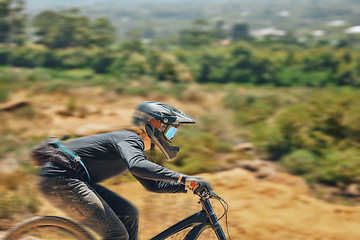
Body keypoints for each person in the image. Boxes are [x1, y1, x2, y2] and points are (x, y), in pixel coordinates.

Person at [34, 101, 211, 240]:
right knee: (116, 235)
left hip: (67, 179)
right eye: (171, 132)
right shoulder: (130, 138)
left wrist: (189, 186)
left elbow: (153, 185)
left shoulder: (131, 147)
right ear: (156, 125)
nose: (171, 139)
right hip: (60, 178)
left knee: (129, 214)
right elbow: (137, 165)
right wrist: (182, 177)